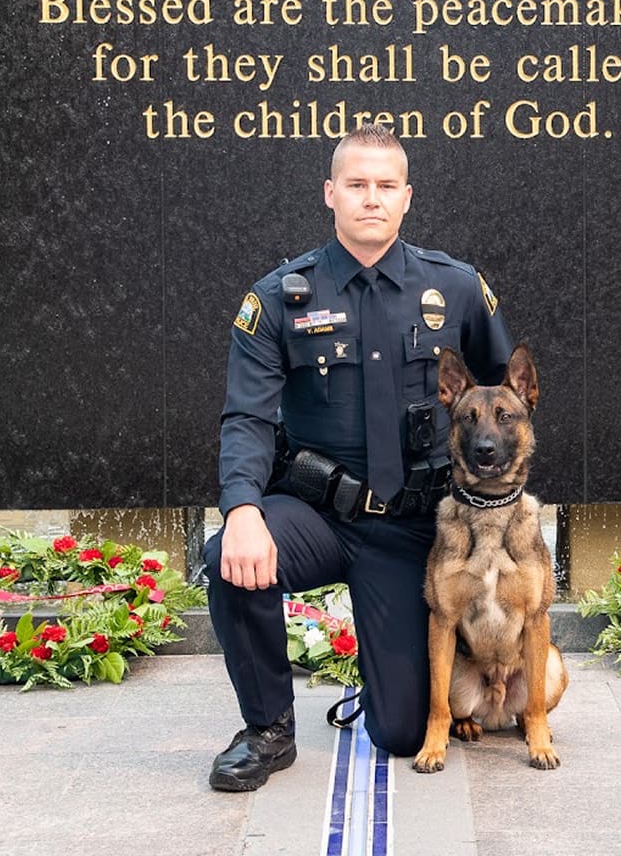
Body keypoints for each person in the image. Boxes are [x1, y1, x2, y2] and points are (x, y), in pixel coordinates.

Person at [205, 124, 512, 792]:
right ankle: (266, 732)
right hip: (314, 515)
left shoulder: (456, 289)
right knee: (229, 554)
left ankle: (399, 681)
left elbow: (502, 402)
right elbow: (247, 419)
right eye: (356, 185)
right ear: (330, 194)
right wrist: (244, 510)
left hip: (412, 533)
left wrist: (496, 523)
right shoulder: (281, 298)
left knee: (402, 733)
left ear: (406, 197)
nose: (371, 198)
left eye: (385, 185)